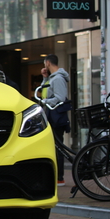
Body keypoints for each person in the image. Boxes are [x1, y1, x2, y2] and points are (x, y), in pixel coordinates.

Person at [39, 54, 70, 187]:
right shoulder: (52, 78)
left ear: (47, 63)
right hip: (51, 114)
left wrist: (44, 101)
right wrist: (45, 78)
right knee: (54, 146)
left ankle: (60, 178)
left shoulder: (57, 79)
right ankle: (56, 177)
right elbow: (44, 90)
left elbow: (60, 97)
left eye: (44, 63)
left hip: (56, 116)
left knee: (58, 147)